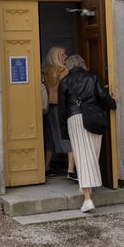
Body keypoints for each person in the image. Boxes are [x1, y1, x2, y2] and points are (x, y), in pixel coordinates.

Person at [57, 54, 117, 213]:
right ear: (82, 64)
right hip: (95, 117)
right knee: (92, 154)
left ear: (68, 67)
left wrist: (64, 133)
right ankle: (86, 187)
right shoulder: (93, 77)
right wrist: (114, 103)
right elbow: (103, 96)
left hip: (75, 118)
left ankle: (88, 199)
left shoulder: (64, 83)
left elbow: (62, 110)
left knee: (83, 156)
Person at [42, 46, 76, 180]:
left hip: (49, 107)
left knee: (50, 137)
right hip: (60, 107)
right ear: (56, 56)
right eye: (62, 54)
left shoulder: (45, 70)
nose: (65, 57)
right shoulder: (62, 70)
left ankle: (46, 166)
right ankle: (71, 169)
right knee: (66, 136)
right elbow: (68, 88)